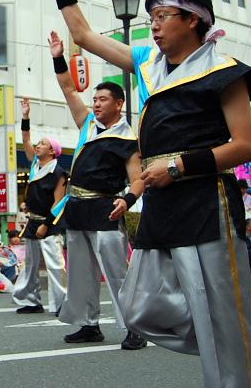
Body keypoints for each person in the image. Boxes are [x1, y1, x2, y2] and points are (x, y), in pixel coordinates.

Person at [38, 0, 251, 387]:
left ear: (194, 20)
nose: (155, 27)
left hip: (206, 199)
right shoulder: (147, 63)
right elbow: (84, 36)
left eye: (163, 17)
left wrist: (179, 166)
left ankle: (234, 342)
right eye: (151, 20)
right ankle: (247, 331)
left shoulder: (224, 70)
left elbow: (245, 146)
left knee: (219, 310)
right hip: (163, 201)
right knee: (141, 308)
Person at [47, 30, 146, 350]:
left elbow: (138, 180)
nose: (96, 103)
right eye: (95, 99)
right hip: (77, 208)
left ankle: (134, 327)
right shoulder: (87, 124)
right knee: (81, 272)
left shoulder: (128, 139)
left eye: (103, 99)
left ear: (119, 103)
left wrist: (127, 200)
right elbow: (66, 87)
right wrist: (57, 56)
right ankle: (89, 324)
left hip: (106, 209)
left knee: (117, 272)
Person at [13, 97, 68, 315]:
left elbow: (58, 202)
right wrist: (26, 116)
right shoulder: (36, 164)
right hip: (32, 221)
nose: (38, 145)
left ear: (53, 151)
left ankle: (61, 304)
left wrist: (46, 224)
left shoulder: (58, 172)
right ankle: (31, 300)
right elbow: (25, 139)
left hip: (49, 223)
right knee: (31, 264)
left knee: (55, 264)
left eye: (43, 143)